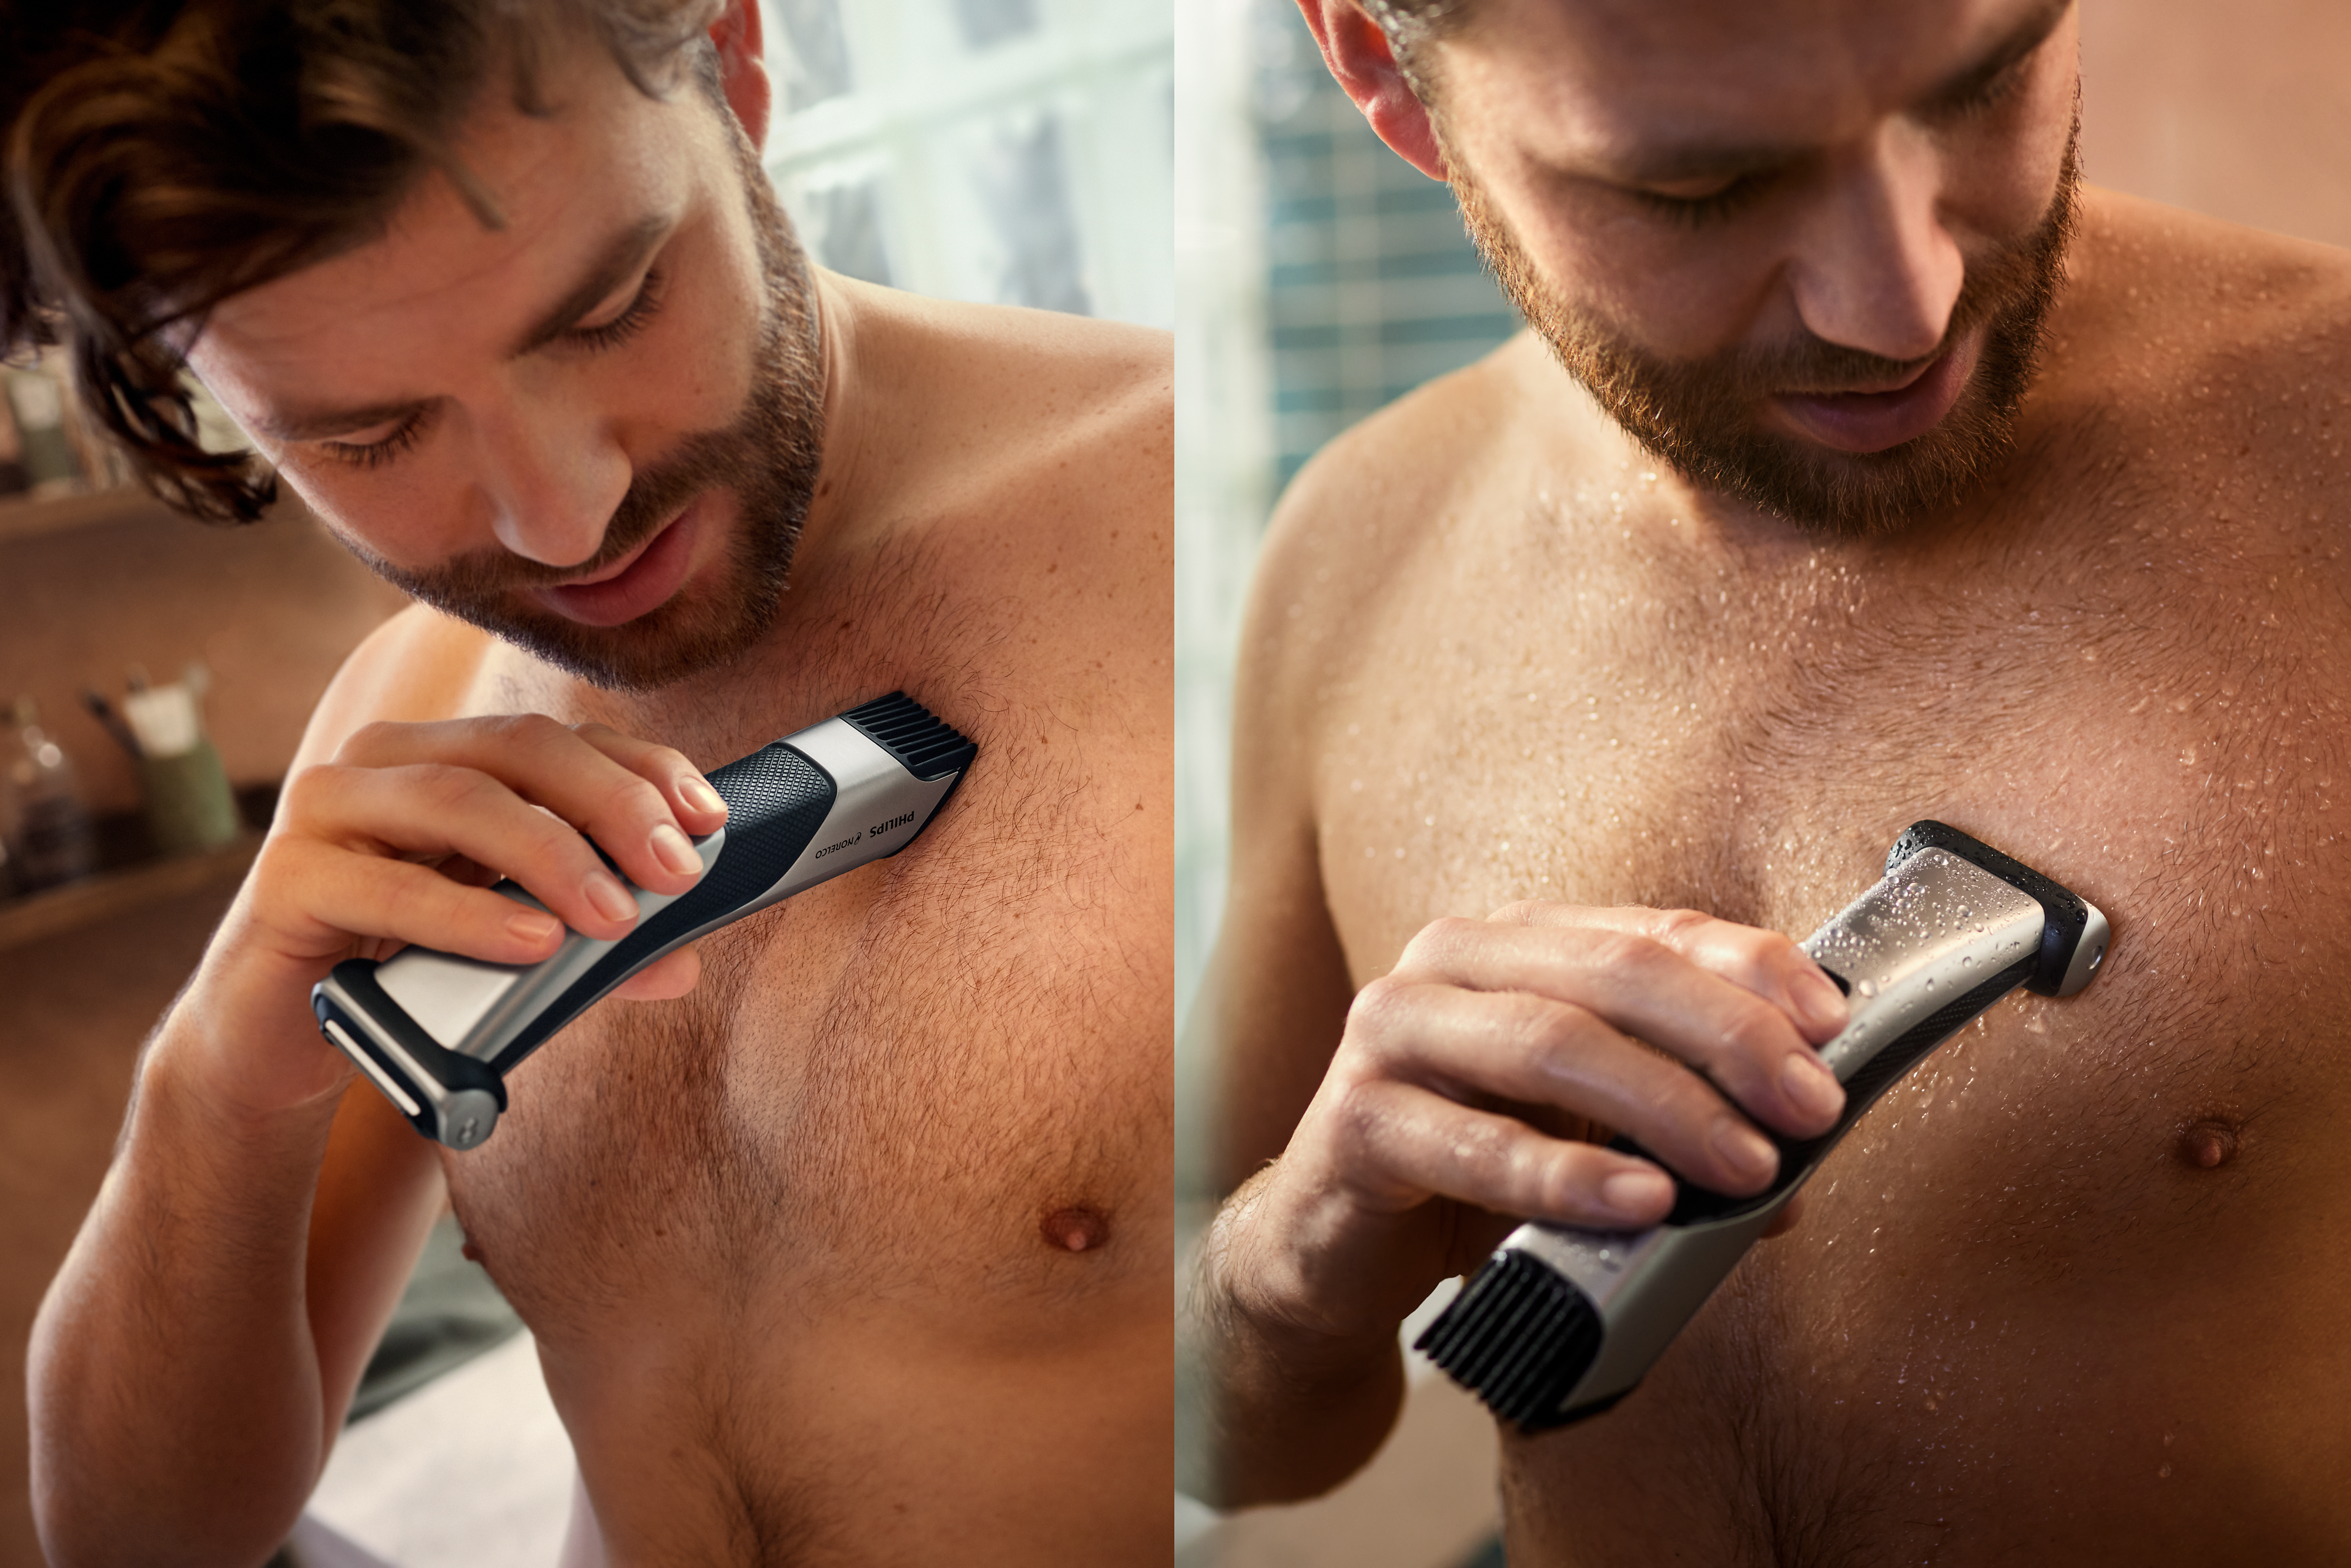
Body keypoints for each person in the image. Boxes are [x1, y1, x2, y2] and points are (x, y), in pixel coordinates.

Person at [1186, 0, 2351, 1559]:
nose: (1903, 304)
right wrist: (1278, 1267)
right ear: (1384, 70)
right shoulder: (1352, 548)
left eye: (1987, 81)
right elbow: (1244, 1449)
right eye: (1703, 191)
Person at [12, 2, 1170, 1563]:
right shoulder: (413, 705)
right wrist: (213, 1084)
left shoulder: (1211, 546)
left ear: (738, 63)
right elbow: (135, 1544)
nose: (569, 521)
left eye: (611, 308)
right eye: (373, 432)